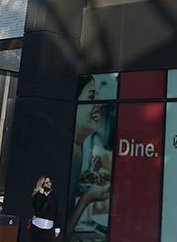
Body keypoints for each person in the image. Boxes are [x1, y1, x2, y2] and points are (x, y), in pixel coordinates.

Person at [68, 76, 112, 239]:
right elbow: (63, 231)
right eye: (91, 97)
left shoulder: (73, 149)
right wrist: (87, 197)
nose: (98, 104)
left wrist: (90, 176)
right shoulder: (73, 153)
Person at [30, 175, 61, 241]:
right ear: (42, 185)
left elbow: (56, 213)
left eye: (49, 182)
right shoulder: (37, 195)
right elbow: (37, 206)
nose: (49, 184)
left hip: (48, 227)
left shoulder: (54, 197)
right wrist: (40, 194)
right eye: (46, 183)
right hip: (37, 225)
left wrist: (57, 227)